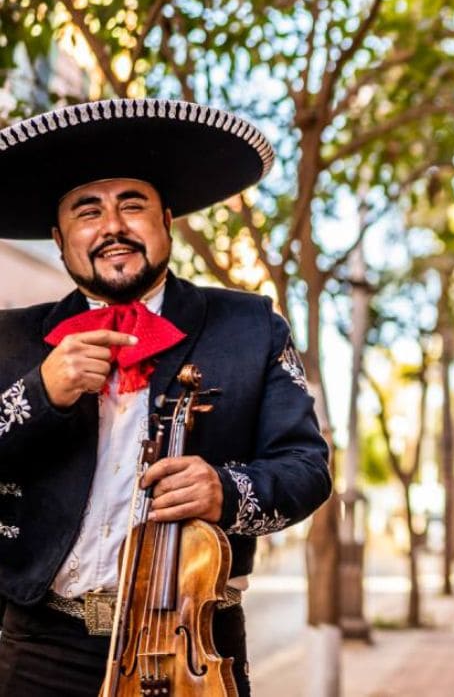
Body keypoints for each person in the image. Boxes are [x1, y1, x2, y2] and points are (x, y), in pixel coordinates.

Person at [0, 98, 332, 696]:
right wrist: (38, 394)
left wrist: (225, 492)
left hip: (190, 642)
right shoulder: (10, 339)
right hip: (41, 644)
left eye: (133, 204)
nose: (112, 226)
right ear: (59, 238)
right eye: (87, 211)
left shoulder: (252, 326)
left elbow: (308, 471)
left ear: (167, 221)